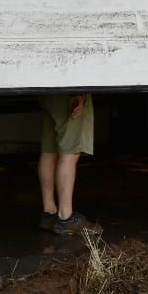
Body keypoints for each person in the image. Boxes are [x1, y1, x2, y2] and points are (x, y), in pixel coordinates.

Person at [37, 92, 97, 235]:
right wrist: (79, 92)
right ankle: (66, 217)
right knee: (70, 153)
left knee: (49, 151)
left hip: (48, 90)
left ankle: (49, 214)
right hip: (68, 93)